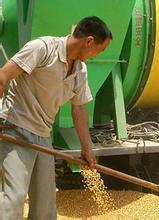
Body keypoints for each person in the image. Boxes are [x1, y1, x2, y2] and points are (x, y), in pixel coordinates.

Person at [0, 16, 112, 220]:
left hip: (43, 135)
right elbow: (3, 77)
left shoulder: (80, 70)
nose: (98, 55)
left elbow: (79, 109)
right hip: (16, 127)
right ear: (88, 41)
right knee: (14, 197)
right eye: (100, 49)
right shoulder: (42, 48)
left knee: (45, 206)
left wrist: (87, 149)